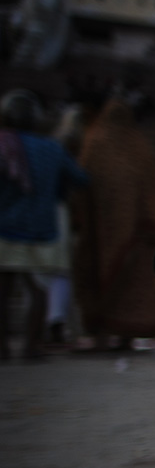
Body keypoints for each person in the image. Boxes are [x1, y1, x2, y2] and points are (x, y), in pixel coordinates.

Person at [73, 95, 155, 351]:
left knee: (100, 278)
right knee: (132, 284)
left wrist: (80, 216)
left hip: (101, 232)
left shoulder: (95, 141)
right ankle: (127, 337)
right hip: (137, 232)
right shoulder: (140, 145)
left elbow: (81, 182)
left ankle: (102, 337)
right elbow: (152, 187)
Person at [0, 89, 88, 360]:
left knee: (4, 289)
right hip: (42, 229)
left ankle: (2, 348)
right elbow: (81, 179)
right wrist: (55, 192)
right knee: (38, 289)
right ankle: (31, 346)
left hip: (5, 226)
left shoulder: (3, 144)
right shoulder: (52, 148)